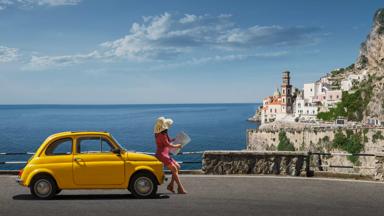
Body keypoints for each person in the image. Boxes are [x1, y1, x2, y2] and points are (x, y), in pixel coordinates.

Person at [154, 117, 187, 194]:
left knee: (177, 167)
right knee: (175, 169)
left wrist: (174, 139)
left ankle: (171, 185)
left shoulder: (161, 133)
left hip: (164, 154)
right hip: (162, 155)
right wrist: (177, 146)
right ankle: (180, 188)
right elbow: (168, 145)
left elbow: (167, 142)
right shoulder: (162, 135)